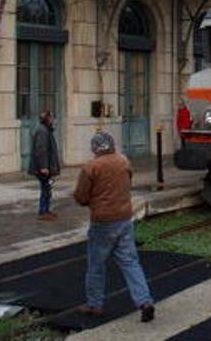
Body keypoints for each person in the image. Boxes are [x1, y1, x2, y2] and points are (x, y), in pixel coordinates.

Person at [73, 131, 155, 322]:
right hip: (125, 218)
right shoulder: (123, 161)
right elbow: (128, 183)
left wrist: (90, 201)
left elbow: (81, 196)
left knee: (96, 265)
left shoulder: (91, 167)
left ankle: (95, 304)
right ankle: (145, 301)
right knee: (130, 262)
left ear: (95, 148)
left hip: (103, 222)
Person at [28, 110, 61, 221]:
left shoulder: (46, 130)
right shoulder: (43, 131)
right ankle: (43, 211)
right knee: (46, 189)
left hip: (46, 166)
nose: (52, 119)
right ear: (47, 119)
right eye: (51, 117)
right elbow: (41, 150)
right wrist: (44, 166)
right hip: (43, 168)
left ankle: (46, 210)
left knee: (47, 189)